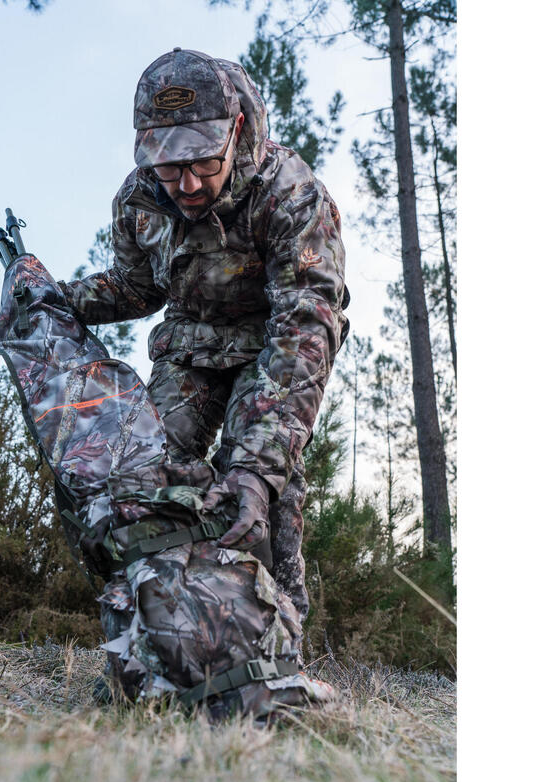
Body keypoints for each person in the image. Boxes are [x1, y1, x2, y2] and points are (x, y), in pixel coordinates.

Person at [58, 47, 349, 620]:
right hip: (189, 348)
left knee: (259, 494)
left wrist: (257, 468)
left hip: (273, 348)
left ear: (236, 131)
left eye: (203, 163)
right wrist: (58, 298)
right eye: (169, 166)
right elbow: (136, 288)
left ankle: (275, 644)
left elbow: (306, 321)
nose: (187, 184)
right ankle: (161, 635)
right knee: (143, 473)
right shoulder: (140, 199)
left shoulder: (290, 194)